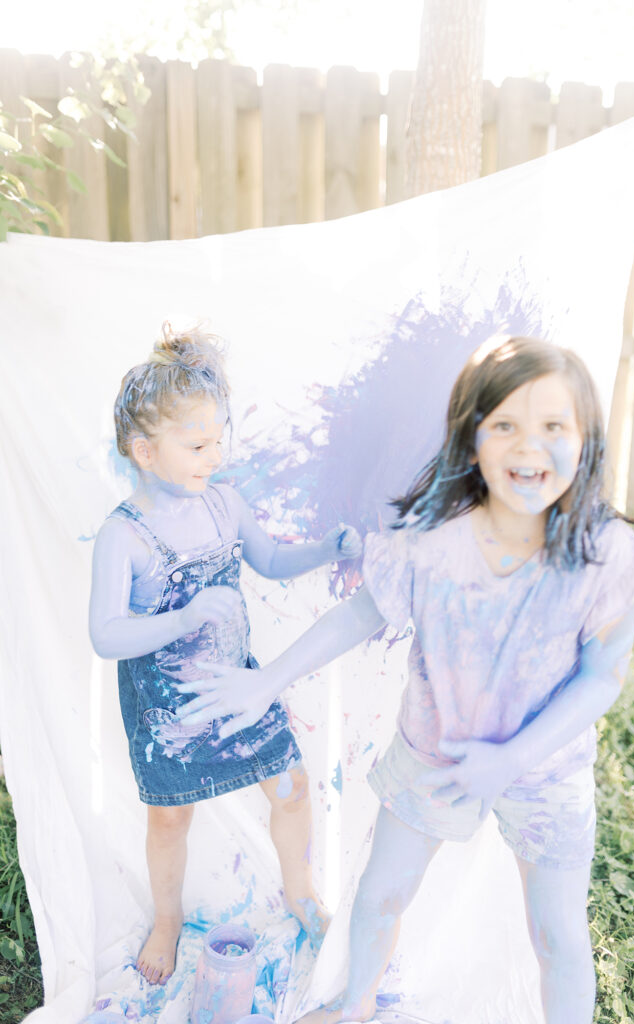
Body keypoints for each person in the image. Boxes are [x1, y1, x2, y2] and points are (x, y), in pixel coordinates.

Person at [176, 336, 634, 1024]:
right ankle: (356, 1003)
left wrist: (513, 760)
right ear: (472, 443)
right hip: (432, 753)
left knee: (558, 936)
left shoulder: (604, 556)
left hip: (545, 771)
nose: (531, 446)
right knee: (379, 896)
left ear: (586, 440)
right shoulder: (434, 543)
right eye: (506, 426)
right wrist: (268, 681)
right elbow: (359, 616)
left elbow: (600, 680)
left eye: (554, 426)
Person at [88, 322, 361, 987]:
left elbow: (268, 562)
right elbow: (105, 635)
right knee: (170, 818)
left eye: (219, 439)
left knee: (292, 787)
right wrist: (180, 615)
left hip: (237, 685)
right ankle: (168, 917)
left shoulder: (224, 504)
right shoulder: (124, 536)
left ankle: (300, 892)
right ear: (144, 450)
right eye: (198, 444)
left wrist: (325, 548)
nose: (214, 455)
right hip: (167, 705)